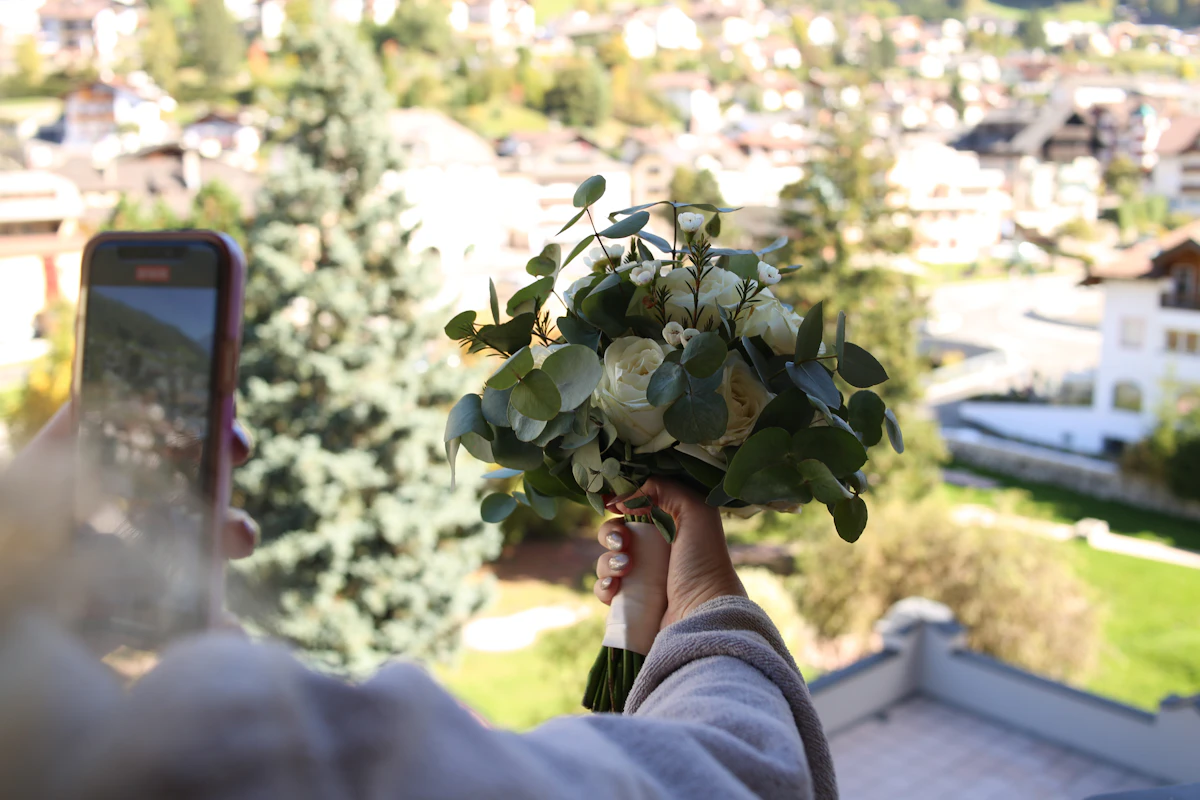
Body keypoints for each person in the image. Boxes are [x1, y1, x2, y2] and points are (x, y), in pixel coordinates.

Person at [0, 406, 837, 800]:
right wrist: (705, 598)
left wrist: (633, 632)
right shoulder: (230, 758)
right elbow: (738, 776)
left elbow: (594, 752)